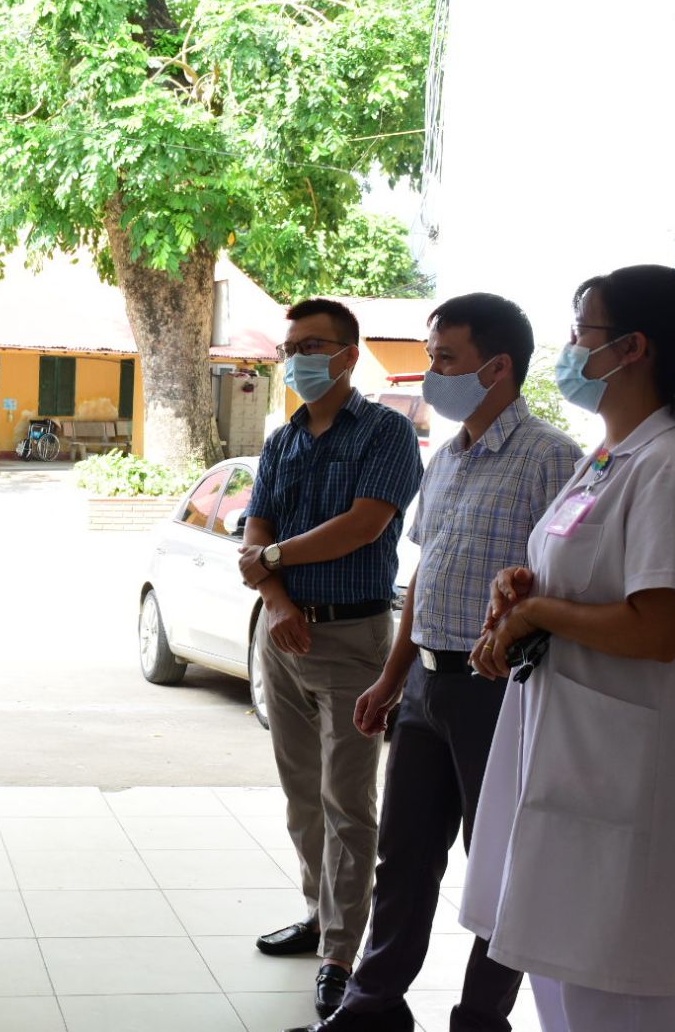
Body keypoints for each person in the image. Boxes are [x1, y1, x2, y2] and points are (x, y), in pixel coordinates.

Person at [463, 264, 675, 1032]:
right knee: (561, 980)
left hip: (621, 770)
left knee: (615, 996)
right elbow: (586, 573)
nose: (571, 348)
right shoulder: (610, 455)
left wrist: (538, 613)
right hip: (564, 756)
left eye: (582, 331)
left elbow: (659, 627)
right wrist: (524, 587)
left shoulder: (671, 468)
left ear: (632, 347)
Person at [302, 294, 581, 1032]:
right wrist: (392, 677)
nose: (432, 374)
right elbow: (426, 574)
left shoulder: (551, 459)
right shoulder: (449, 457)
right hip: (426, 685)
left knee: (499, 866)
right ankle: (372, 1008)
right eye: (431, 358)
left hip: (501, 692)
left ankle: (480, 1019)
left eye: (445, 359)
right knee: (403, 857)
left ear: (498, 367)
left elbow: (563, 587)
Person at [239, 298, 424, 1020]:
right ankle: (319, 916)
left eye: (313, 346)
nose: (298, 359)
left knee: (348, 801)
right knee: (301, 794)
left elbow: (363, 526)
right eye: (291, 347)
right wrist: (278, 600)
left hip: (351, 639)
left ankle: (342, 955)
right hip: (282, 633)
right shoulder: (283, 438)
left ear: (349, 355)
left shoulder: (385, 432)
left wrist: (272, 560)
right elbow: (255, 532)